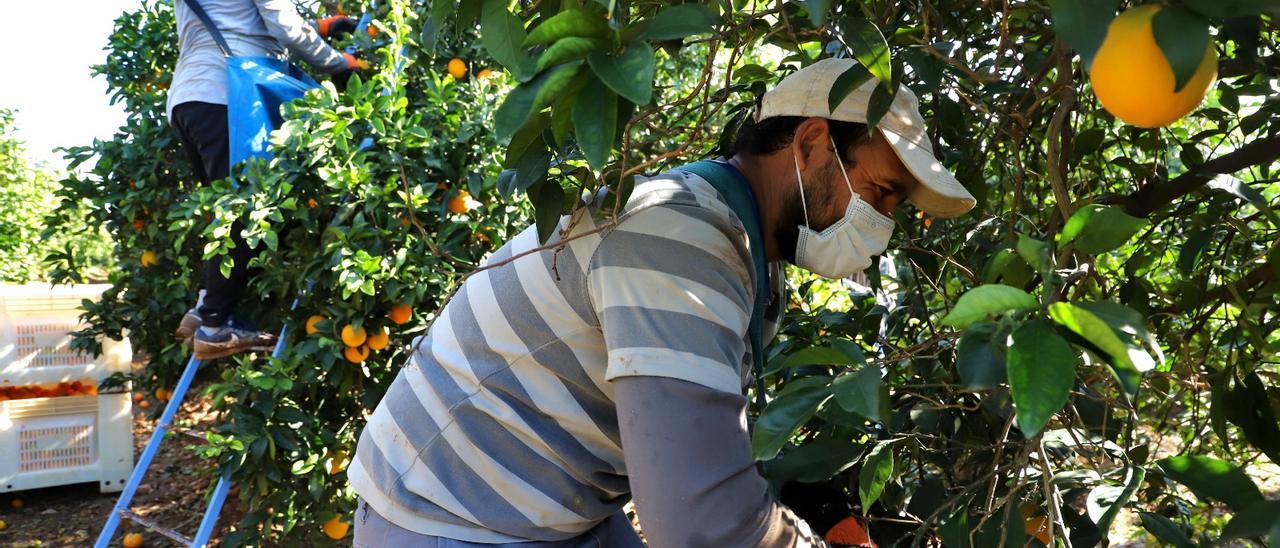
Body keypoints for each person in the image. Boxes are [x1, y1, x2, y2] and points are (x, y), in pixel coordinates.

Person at [348, 58, 976, 547]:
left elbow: (693, 431)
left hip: (548, 508)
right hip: (455, 518)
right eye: (883, 193)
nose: (886, 221)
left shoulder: (730, 237)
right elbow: (700, 523)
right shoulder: (680, 239)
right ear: (811, 144)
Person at [167, 0, 365, 359]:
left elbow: (233, 18)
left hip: (190, 99)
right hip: (229, 93)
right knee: (249, 209)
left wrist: (320, 27)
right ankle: (214, 325)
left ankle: (203, 306)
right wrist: (340, 63)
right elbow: (280, 23)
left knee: (224, 211)